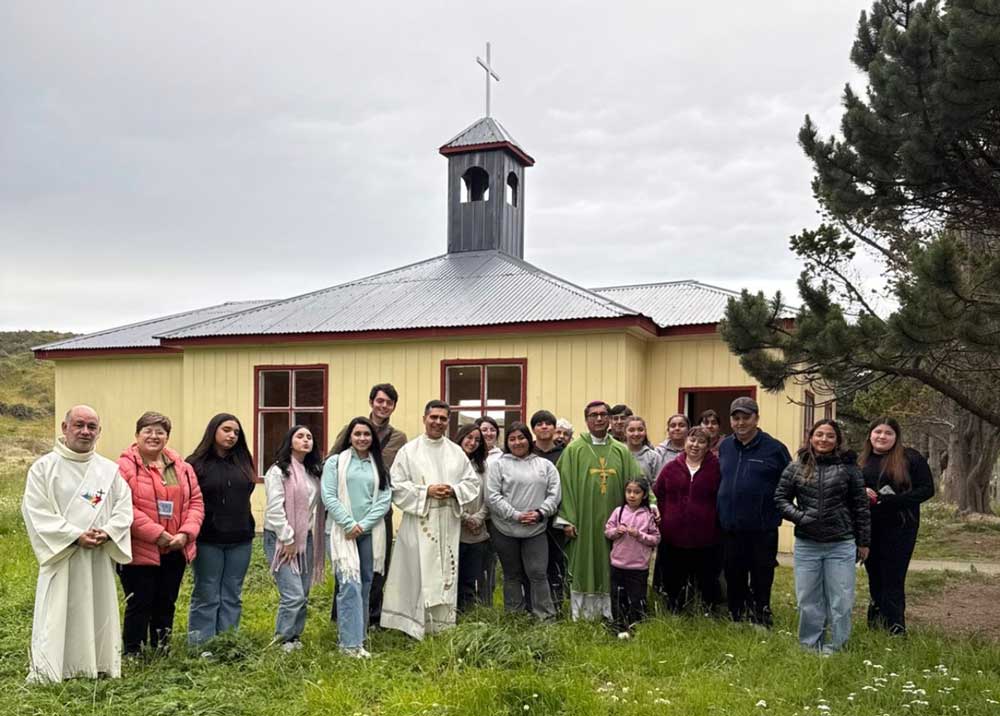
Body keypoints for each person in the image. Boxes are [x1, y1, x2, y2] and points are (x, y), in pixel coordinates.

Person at [22, 405, 133, 682]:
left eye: (91, 427)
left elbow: (123, 508)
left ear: (99, 432)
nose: (85, 431)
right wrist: (74, 536)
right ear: (65, 428)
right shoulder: (43, 468)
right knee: (58, 611)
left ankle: (99, 664)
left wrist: (107, 532)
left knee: (97, 607)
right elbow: (36, 511)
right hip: (63, 555)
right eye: (79, 425)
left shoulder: (109, 471)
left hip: (97, 556)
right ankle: (53, 668)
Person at [380, 400, 481, 640]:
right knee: (417, 572)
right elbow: (396, 486)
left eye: (443, 418)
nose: (437, 422)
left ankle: (441, 625)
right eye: (433, 417)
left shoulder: (456, 452)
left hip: (447, 522)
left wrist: (454, 490)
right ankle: (411, 625)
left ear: (448, 422)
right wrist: (427, 491)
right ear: (424, 418)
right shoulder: (409, 451)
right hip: (419, 522)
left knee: (445, 572)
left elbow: (471, 483)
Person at [775, 419, 870, 653]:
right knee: (807, 599)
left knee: (841, 600)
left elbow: (861, 506)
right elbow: (780, 499)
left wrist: (864, 541)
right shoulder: (796, 467)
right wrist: (800, 517)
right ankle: (810, 645)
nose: (824, 440)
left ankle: (837, 646)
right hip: (807, 545)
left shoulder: (849, 468)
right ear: (811, 437)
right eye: (819, 435)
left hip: (841, 544)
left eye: (830, 436)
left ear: (837, 440)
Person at [117, 411, 204, 655]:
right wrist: (157, 534)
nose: (154, 436)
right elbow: (122, 507)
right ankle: (133, 652)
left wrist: (185, 534)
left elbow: (196, 502)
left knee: (166, 602)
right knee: (139, 603)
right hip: (139, 548)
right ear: (137, 435)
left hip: (175, 547)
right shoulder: (123, 468)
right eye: (148, 431)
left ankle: (161, 650)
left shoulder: (182, 467)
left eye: (160, 432)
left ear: (167, 437)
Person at [556, 400, 642, 620]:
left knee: (614, 563)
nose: (599, 418)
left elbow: (638, 480)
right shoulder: (574, 450)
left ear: (610, 419)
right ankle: (583, 614)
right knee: (585, 563)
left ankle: (614, 611)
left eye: (604, 414)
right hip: (583, 521)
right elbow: (563, 485)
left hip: (616, 522)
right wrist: (567, 519)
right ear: (586, 420)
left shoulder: (621, 450)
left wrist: (650, 503)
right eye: (593, 415)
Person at [330, 383, 407, 625]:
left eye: (389, 403)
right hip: (349, 509)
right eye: (380, 401)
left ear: (394, 407)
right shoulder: (351, 429)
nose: (384, 406)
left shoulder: (398, 437)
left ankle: (371, 617)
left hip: (379, 508)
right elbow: (333, 459)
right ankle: (342, 617)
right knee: (347, 564)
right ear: (371, 402)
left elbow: (391, 469)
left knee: (376, 564)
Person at [716, 397, 791, 627]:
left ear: (756, 418)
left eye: (746, 418)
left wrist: (777, 511)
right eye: (736, 418)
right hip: (730, 526)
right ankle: (737, 615)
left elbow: (789, 484)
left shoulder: (775, 449)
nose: (740, 423)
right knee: (733, 573)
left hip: (762, 527)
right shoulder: (725, 446)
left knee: (761, 574)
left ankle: (761, 617)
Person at [323, 417, 393, 657]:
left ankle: (359, 638)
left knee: (365, 584)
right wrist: (349, 524)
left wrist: (362, 525)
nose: (362, 438)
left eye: (367, 434)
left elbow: (384, 500)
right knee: (349, 584)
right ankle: (349, 645)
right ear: (349, 437)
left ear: (373, 438)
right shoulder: (335, 462)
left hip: (369, 533)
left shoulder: (379, 465)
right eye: (357, 434)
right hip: (341, 533)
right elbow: (328, 496)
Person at [859, 416, 934, 635]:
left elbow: (927, 490)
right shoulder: (861, 461)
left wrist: (892, 500)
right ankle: (875, 625)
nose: (882, 436)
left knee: (893, 578)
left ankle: (895, 628)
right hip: (869, 528)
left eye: (888, 433)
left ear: (896, 437)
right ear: (870, 435)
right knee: (875, 576)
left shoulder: (910, 458)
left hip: (900, 528)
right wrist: (862, 491)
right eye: (878, 432)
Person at [186, 413, 256, 647]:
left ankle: (227, 642)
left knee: (232, 592)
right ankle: (201, 644)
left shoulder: (243, 461)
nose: (232, 435)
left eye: (236, 432)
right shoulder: (195, 463)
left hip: (241, 537)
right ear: (213, 430)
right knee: (206, 591)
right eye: (226, 430)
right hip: (208, 538)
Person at [486, 423, 562, 620]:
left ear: (529, 440)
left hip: (536, 529)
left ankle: (545, 616)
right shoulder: (498, 466)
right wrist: (515, 515)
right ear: (507, 442)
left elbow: (554, 494)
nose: (517, 442)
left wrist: (540, 513)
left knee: (538, 573)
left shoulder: (545, 465)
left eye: (521, 438)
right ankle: (514, 616)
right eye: (512, 439)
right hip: (505, 529)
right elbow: (492, 496)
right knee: (511, 574)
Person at [263, 425, 325, 651]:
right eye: (300, 436)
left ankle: (295, 637)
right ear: (290, 442)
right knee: (293, 595)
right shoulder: (278, 471)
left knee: (303, 593)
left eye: (309, 437)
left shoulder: (312, 472)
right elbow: (274, 509)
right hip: (281, 538)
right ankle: (283, 639)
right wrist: (287, 538)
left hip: (305, 538)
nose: (306, 440)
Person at [653, 427, 723, 614]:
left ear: (708, 446)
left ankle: (707, 611)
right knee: (673, 577)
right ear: (685, 442)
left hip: (706, 537)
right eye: (692, 440)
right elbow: (658, 495)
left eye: (701, 441)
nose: (695, 445)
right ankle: (673, 608)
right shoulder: (670, 468)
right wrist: (663, 518)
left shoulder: (717, 469)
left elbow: (722, 498)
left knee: (707, 578)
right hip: (673, 536)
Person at [604, 477, 659, 637]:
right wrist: (616, 532)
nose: (632, 495)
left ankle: (635, 627)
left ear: (644, 495)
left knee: (636, 598)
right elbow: (607, 531)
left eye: (637, 492)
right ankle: (618, 627)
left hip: (638, 567)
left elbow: (656, 538)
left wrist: (639, 535)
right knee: (618, 597)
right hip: (618, 565)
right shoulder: (619, 511)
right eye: (629, 491)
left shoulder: (648, 515)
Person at [531, 409, 568, 607]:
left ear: (555, 428)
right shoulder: (527, 453)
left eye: (548, 423)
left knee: (556, 562)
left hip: (556, 519)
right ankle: (533, 604)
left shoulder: (565, 454)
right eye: (539, 424)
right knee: (534, 565)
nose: (544, 427)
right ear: (533, 429)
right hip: (530, 518)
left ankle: (557, 604)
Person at [454, 424, 491, 611]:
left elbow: (489, 496)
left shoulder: (483, 467)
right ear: (460, 438)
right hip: (455, 527)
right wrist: (465, 518)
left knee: (473, 578)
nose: (472, 442)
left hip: (477, 531)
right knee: (454, 577)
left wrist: (478, 518)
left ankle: (469, 614)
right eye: (469, 437)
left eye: (477, 440)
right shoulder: (450, 463)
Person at [624, 416, 661, 480]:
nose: (636, 434)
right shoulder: (619, 454)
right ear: (625, 433)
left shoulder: (654, 457)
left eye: (640, 430)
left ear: (645, 432)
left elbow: (658, 482)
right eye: (631, 430)